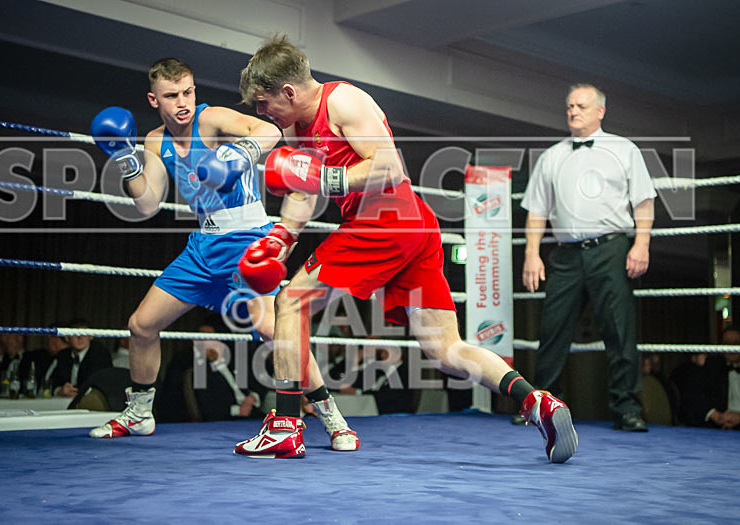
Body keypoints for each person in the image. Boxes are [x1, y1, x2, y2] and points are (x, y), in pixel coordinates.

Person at [232, 35, 578, 463]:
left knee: (291, 302)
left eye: (263, 103)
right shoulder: (293, 127)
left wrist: (325, 179)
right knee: (445, 350)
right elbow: (302, 189)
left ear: (288, 91)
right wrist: (283, 235)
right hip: (410, 226)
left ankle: (284, 427)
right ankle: (536, 401)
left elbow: (389, 167)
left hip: (385, 218)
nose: (262, 113)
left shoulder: (343, 102)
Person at [87, 57, 284, 438]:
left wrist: (238, 154)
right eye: (172, 95)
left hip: (248, 238)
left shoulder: (211, 119)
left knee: (272, 330)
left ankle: (322, 409)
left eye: (188, 92)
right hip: (204, 245)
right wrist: (126, 162)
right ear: (153, 100)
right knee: (141, 325)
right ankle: (139, 413)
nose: (183, 102)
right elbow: (148, 204)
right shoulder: (155, 141)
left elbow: (269, 129)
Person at [518, 83, 656, 432]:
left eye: (581, 106)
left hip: (611, 248)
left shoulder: (624, 149)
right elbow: (536, 211)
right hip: (565, 254)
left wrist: (641, 244)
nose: (573, 111)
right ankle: (541, 406)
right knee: (552, 329)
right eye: (569, 106)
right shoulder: (552, 156)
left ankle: (627, 409)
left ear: (600, 111)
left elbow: (643, 201)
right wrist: (532, 254)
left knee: (619, 329)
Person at [671, 327, 740, 429]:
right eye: (727, 343)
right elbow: (693, 393)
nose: (732, 348)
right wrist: (714, 415)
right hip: (718, 427)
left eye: (736, 343)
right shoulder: (712, 366)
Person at [51, 319, 113, 397]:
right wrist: (60, 391)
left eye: (84, 334)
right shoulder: (63, 356)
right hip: (64, 401)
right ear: (67, 337)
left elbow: (98, 384)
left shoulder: (100, 355)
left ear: (91, 336)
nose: (80, 338)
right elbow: (54, 383)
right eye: (75, 334)